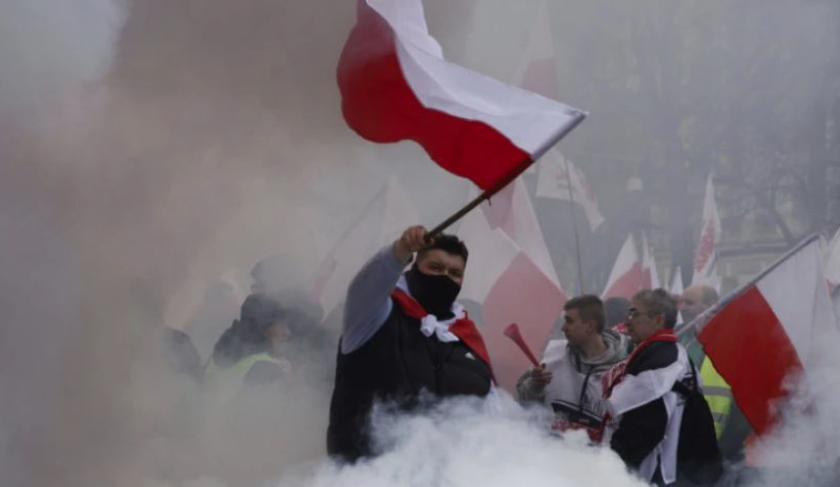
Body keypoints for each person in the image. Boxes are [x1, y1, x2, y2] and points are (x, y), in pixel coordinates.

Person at [327, 225, 494, 462]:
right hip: (366, 471)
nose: (445, 277)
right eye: (435, 267)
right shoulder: (375, 317)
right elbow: (366, 287)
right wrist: (399, 251)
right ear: (415, 268)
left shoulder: (469, 342)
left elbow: (491, 421)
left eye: (455, 273)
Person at [602, 289, 700, 485]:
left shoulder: (662, 360)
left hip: (651, 471)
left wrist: (612, 468)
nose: (628, 320)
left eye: (634, 313)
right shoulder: (664, 351)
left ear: (658, 320)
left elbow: (643, 428)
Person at [516, 295, 630, 441]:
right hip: (547, 452)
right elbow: (524, 402)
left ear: (590, 326)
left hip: (602, 455)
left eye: (569, 322)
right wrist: (535, 385)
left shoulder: (627, 369)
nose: (563, 328)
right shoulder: (553, 355)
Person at [204, 293, 295, 405]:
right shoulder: (265, 368)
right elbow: (273, 411)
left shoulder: (222, 350)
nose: (287, 332)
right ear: (263, 327)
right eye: (281, 325)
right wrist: (288, 383)